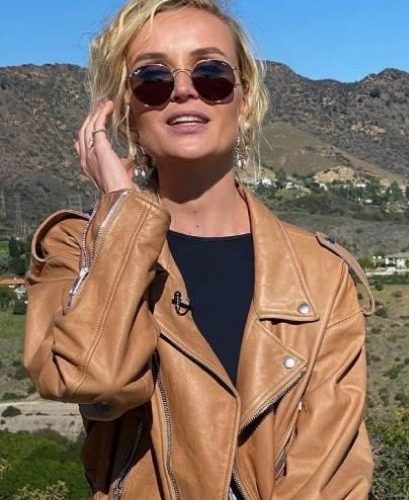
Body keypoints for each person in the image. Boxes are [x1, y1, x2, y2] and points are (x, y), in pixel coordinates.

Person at [22, 0, 375, 498]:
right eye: (152, 79)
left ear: (243, 99)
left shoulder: (321, 273)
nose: (184, 90)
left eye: (211, 74)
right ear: (125, 111)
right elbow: (94, 380)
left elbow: (331, 473)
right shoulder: (75, 249)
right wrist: (122, 212)